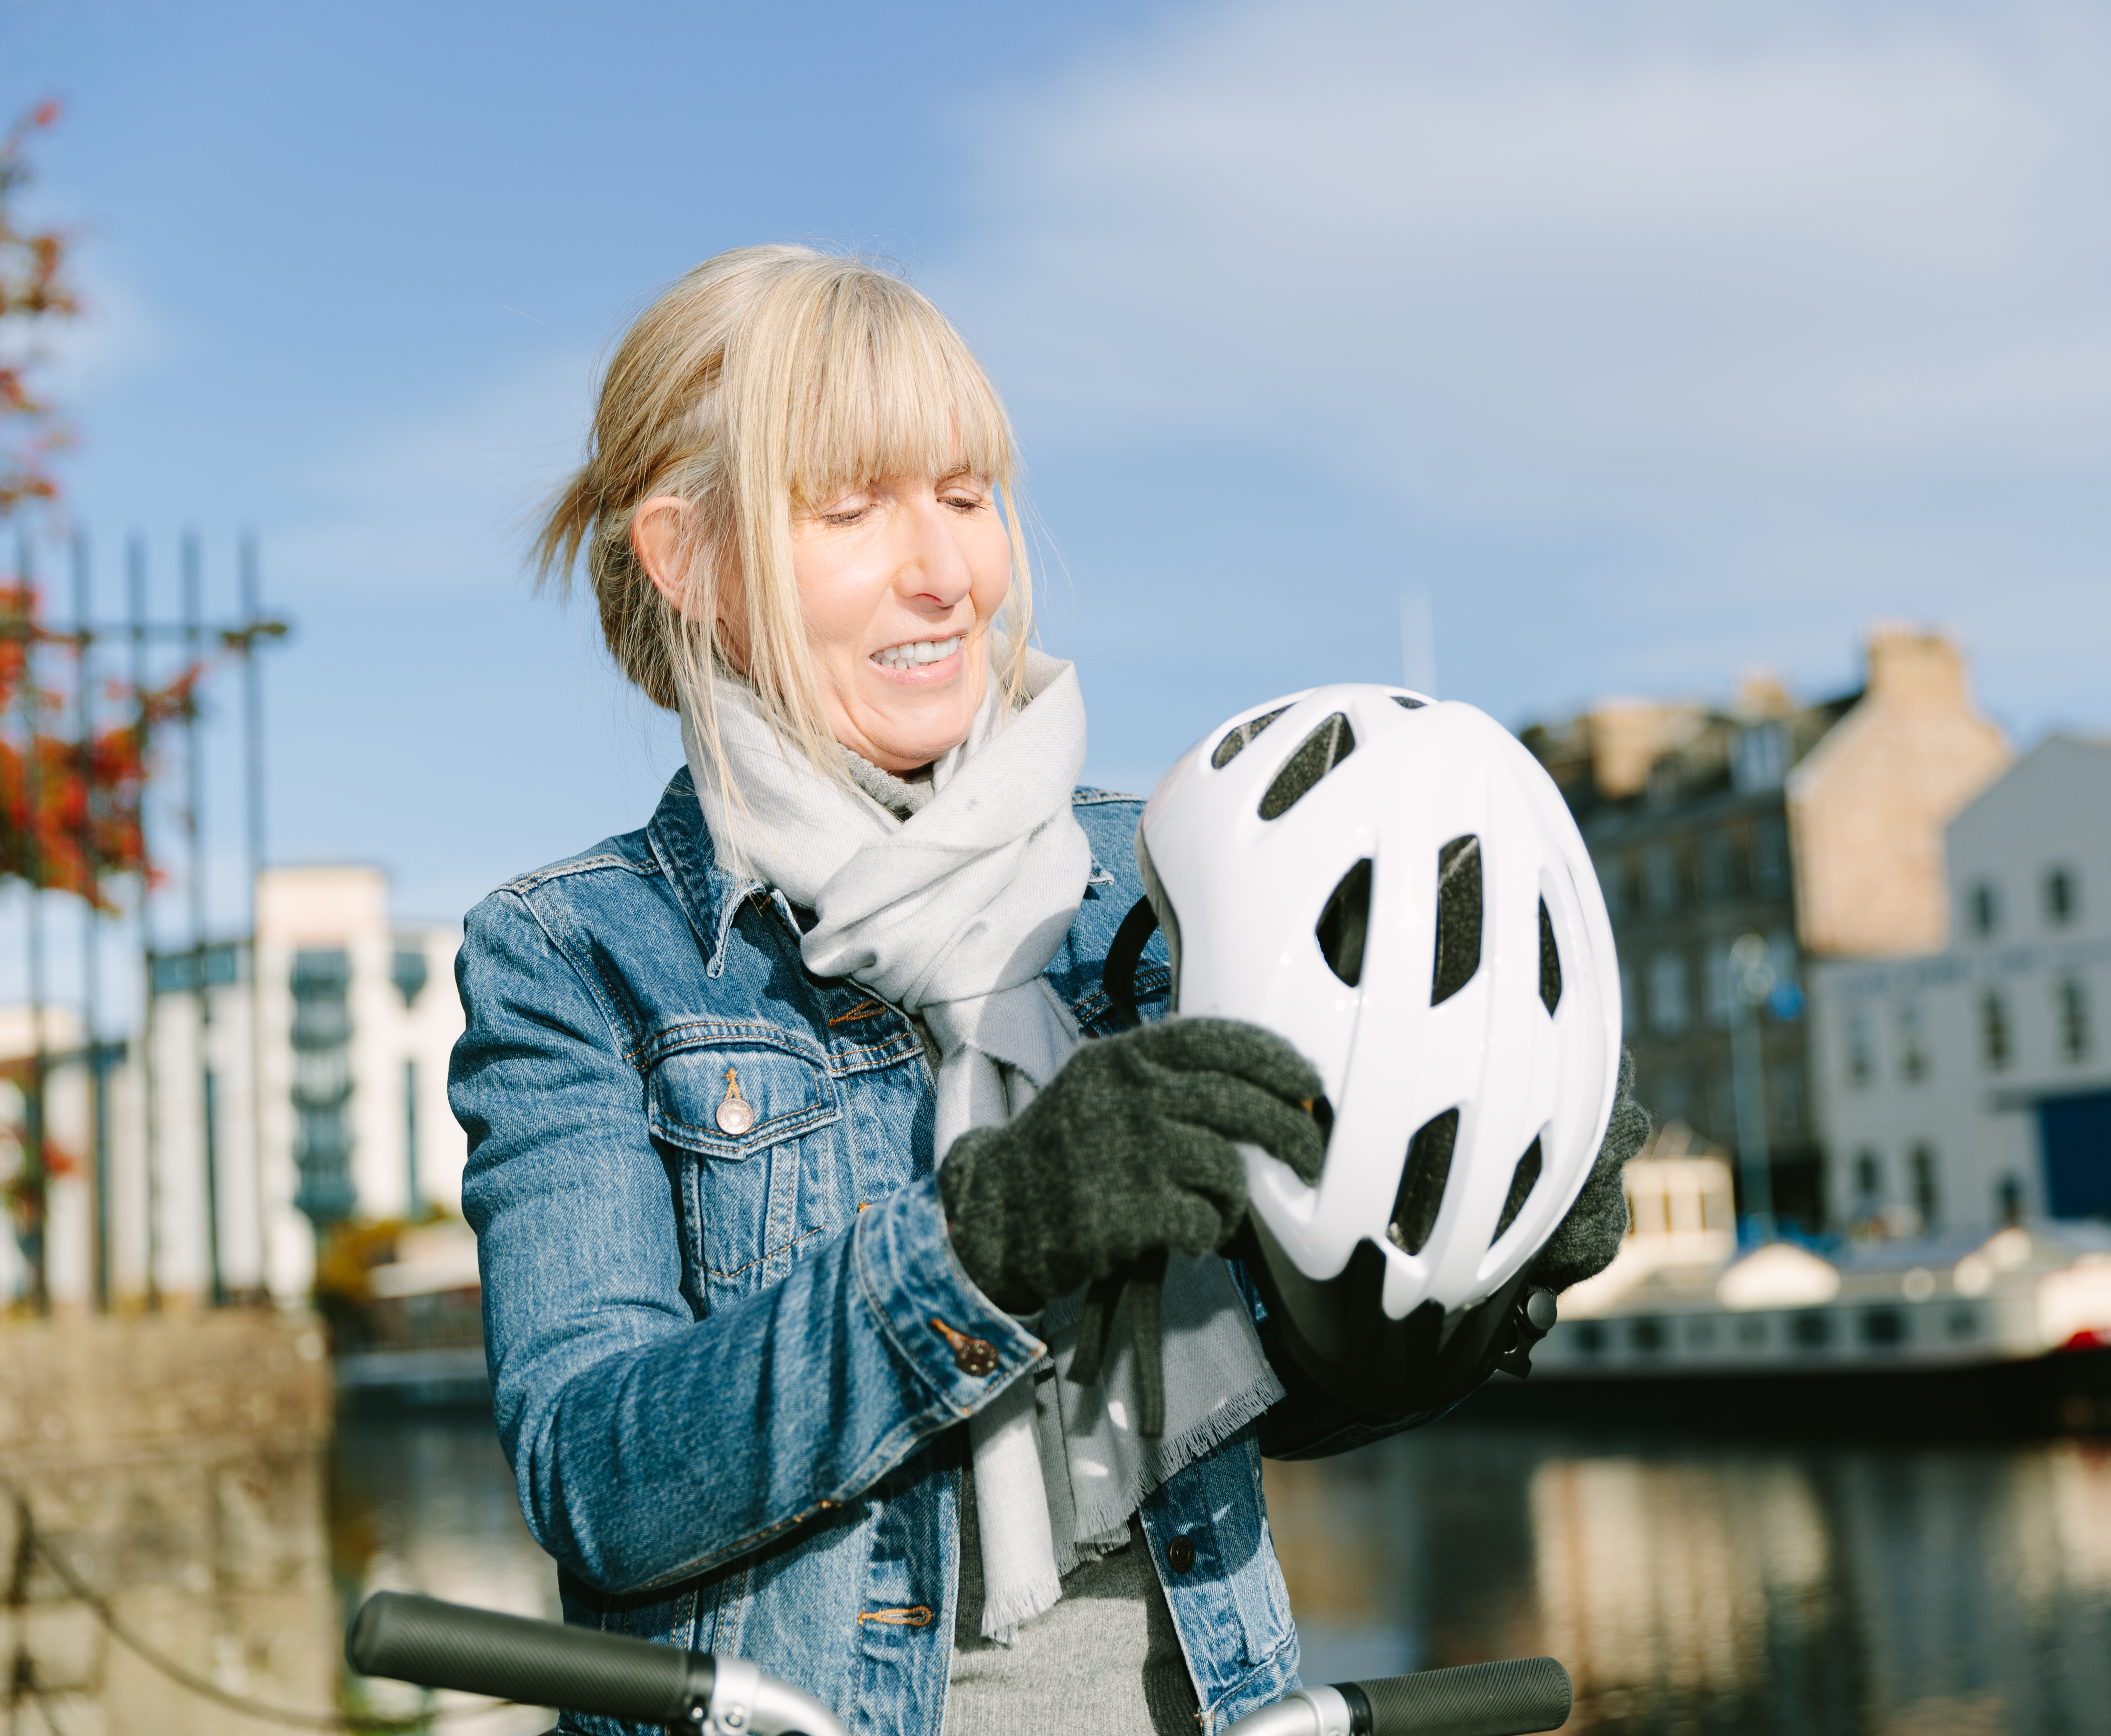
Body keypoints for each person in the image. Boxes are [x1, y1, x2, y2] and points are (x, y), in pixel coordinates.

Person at [451, 244, 1646, 1736]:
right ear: (689, 557)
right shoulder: (575, 955)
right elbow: (600, 1479)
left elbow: (1278, 1388)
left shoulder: (1154, 887)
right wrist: (986, 1241)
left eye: (964, 496)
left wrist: (1475, 1273)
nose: (945, 571)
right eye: (851, 507)